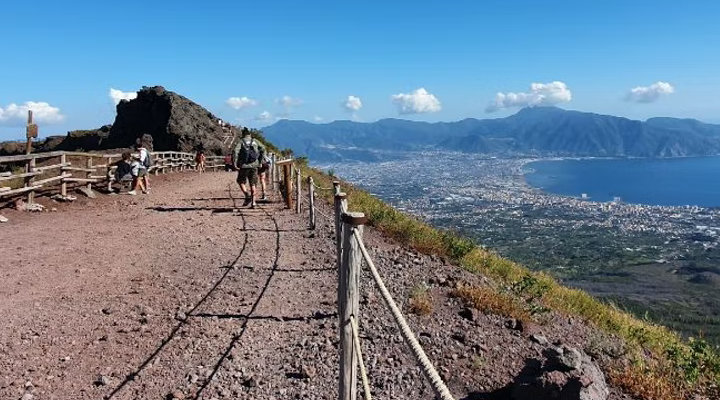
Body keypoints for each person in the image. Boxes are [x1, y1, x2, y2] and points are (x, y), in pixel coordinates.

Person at [233, 131, 266, 208]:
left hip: (244, 166)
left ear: (243, 135)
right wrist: (260, 161)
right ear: (250, 135)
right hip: (254, 165)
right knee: (253, 184)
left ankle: (247, 195)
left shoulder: (241, 142)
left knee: (240, 181)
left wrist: (235, 162)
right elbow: (263, 149)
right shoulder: (255, 141)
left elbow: (235, 151)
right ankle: (253, 202)